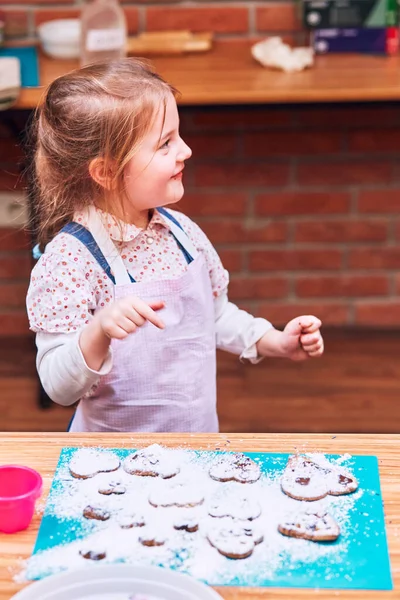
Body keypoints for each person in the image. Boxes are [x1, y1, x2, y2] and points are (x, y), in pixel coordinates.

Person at [26, 59, 324, 433]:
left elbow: (212, 316)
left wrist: (274, 341)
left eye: (177, 136)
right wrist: (98, 331)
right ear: (105, 172)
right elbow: (58, 387)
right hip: (112, 463)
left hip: (195, 446)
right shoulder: (70, 263)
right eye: (165, 143)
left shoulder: (182, 233)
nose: (185, 151)